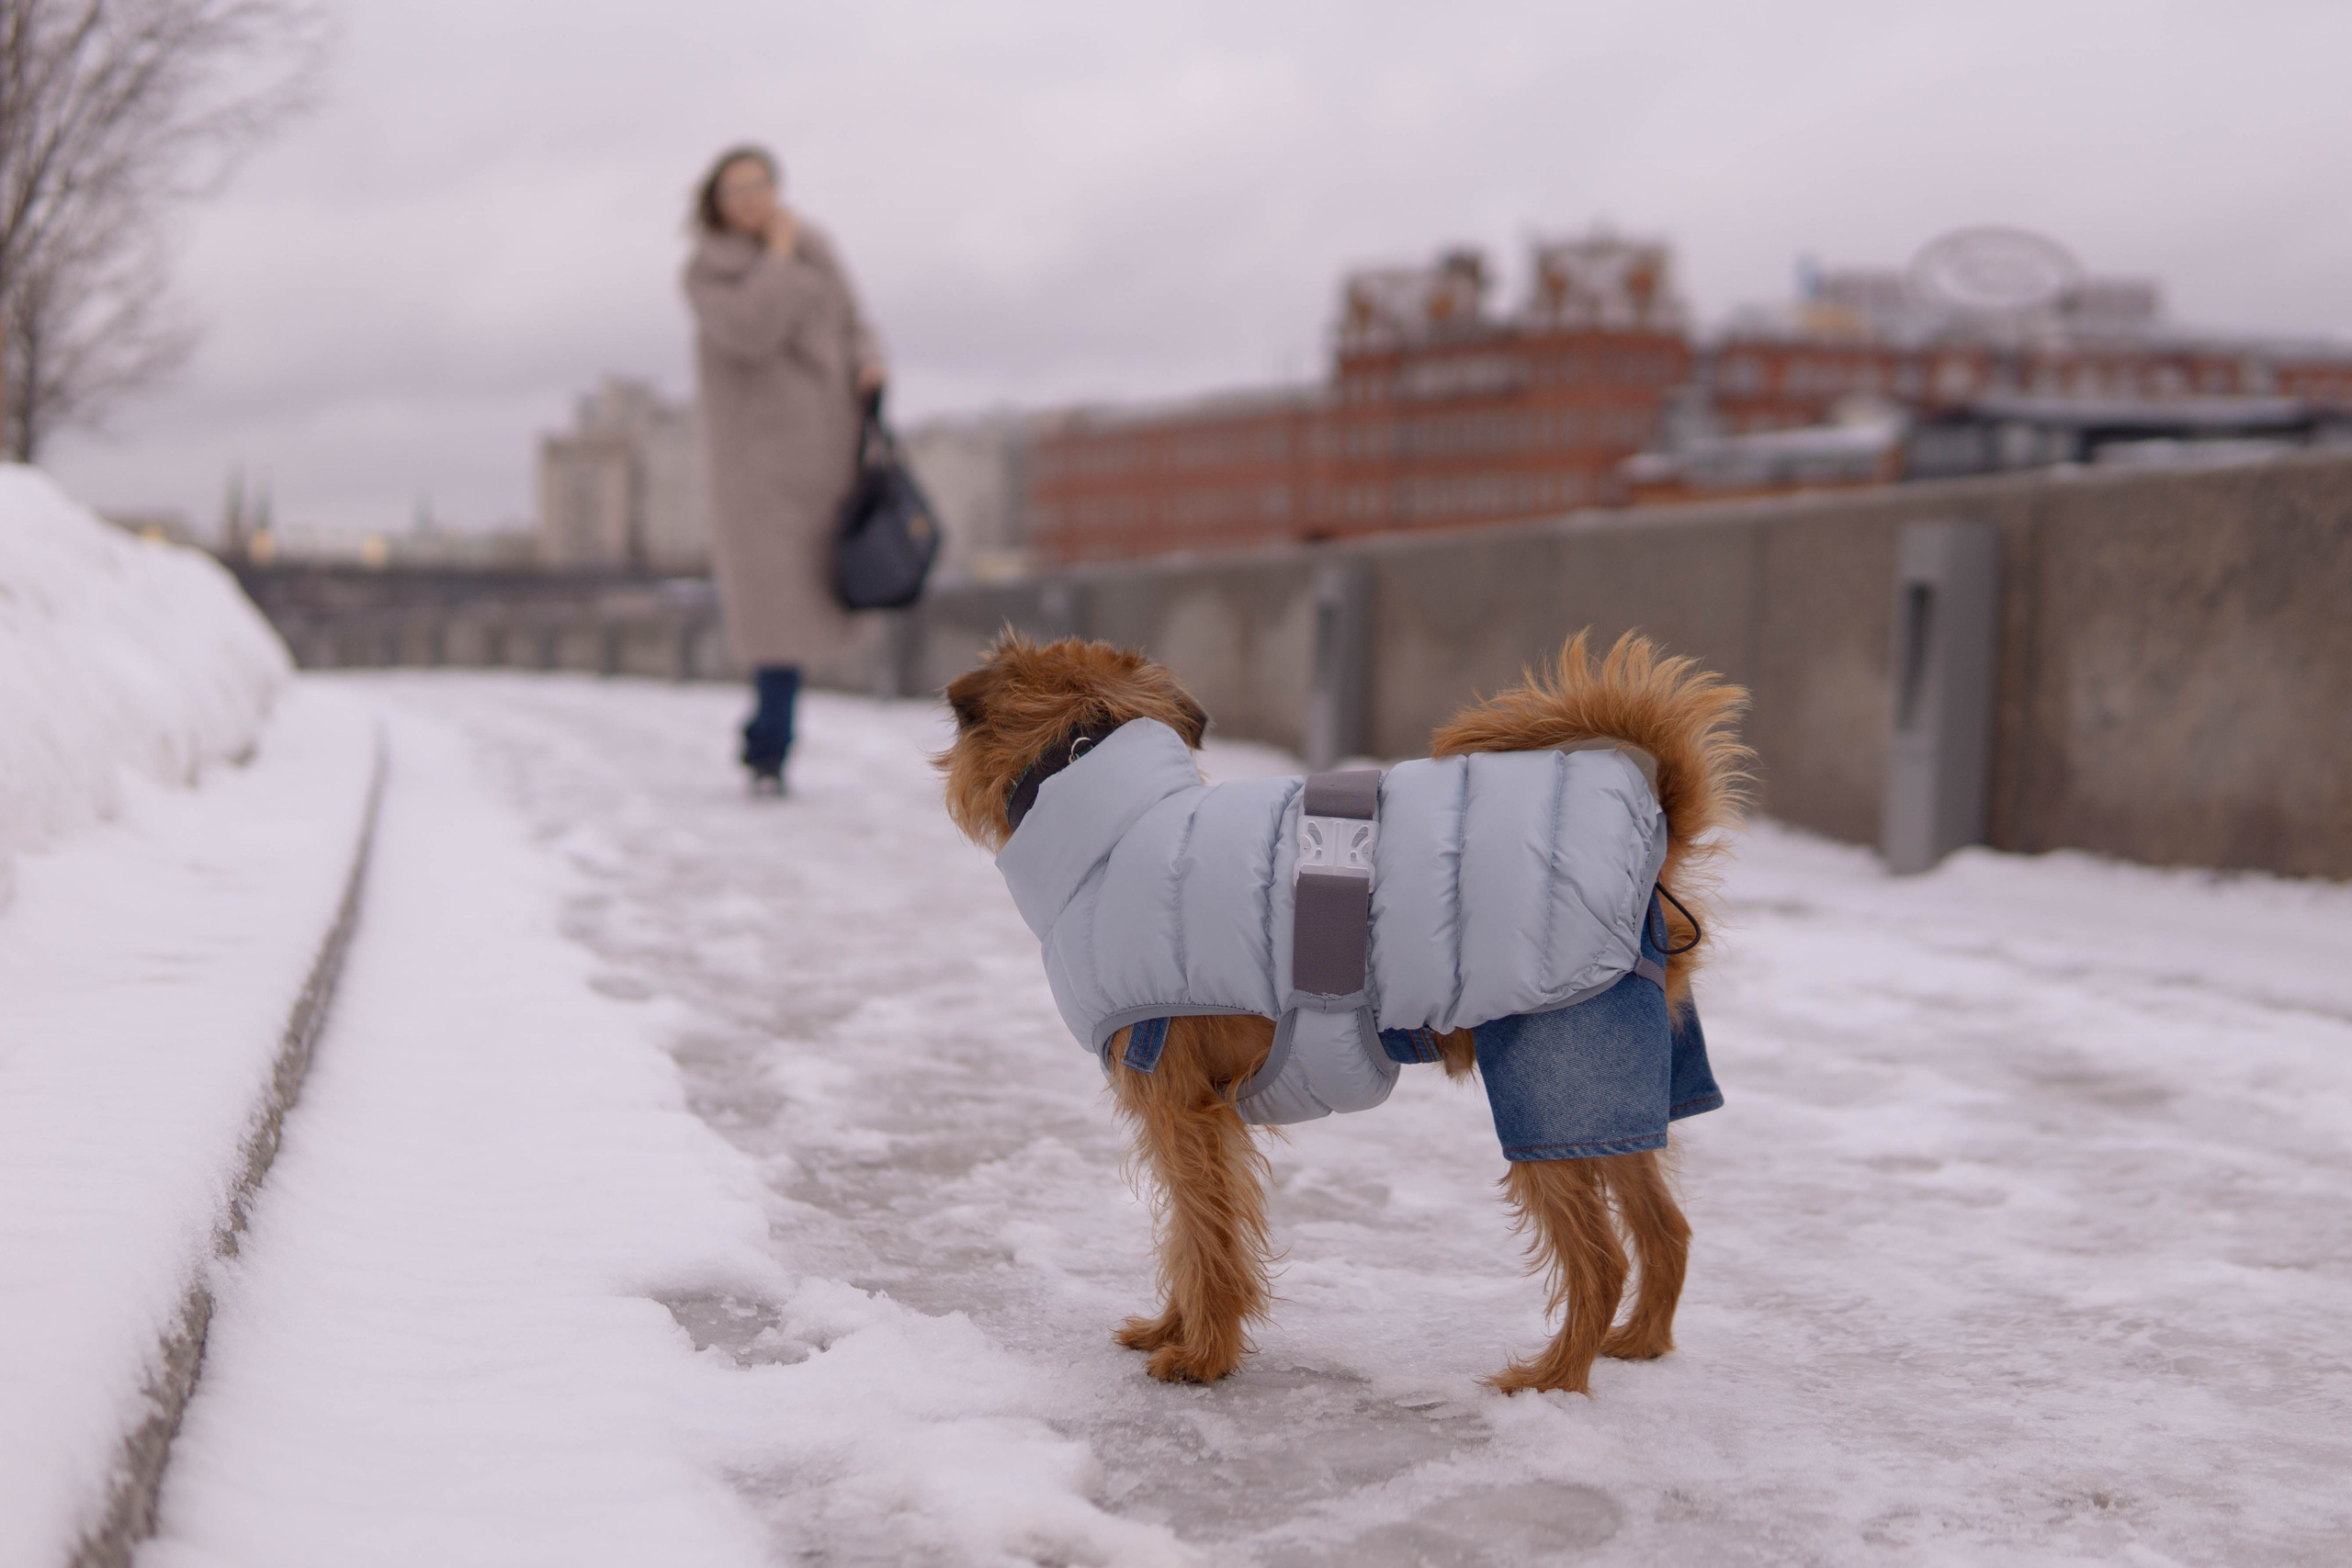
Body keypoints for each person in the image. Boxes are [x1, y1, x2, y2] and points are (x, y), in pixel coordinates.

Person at [683, 144, 886, 793]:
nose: (750, 199)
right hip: (758, 469)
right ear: (716, 202)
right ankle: (771, 745)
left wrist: (870, 361)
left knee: (814, 599)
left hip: (828, 451)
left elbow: (856, 320)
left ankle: (767, 739)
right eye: (735, 189)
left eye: (759, 184)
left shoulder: (816, 246)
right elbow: (751, 330)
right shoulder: (706, 270)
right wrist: (776, 257)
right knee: (775, 612)